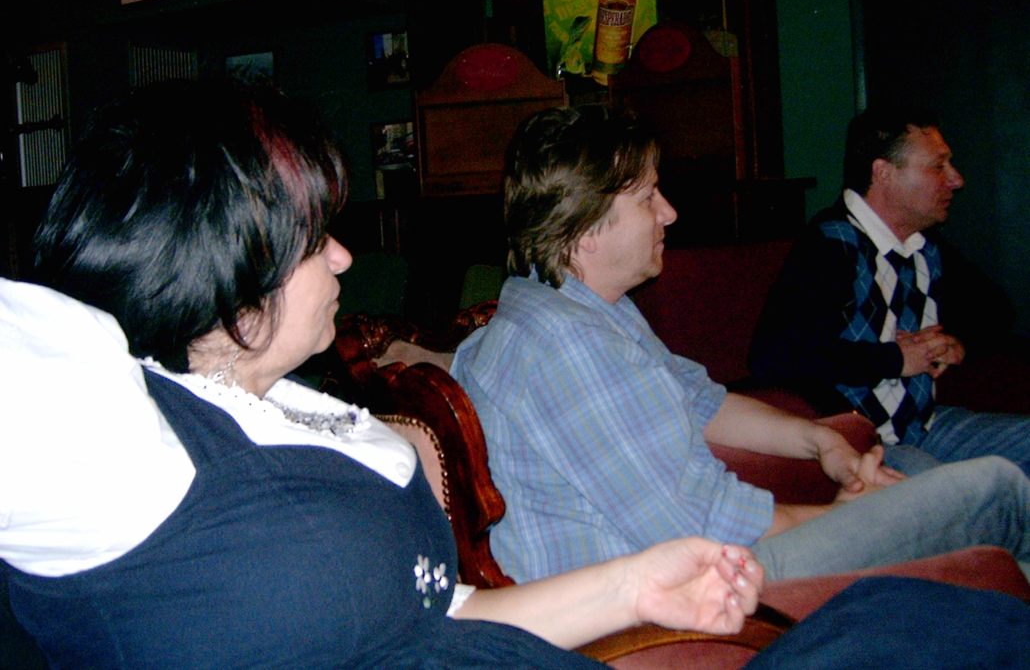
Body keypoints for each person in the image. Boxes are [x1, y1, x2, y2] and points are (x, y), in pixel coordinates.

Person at [3, 81, 1029, 670]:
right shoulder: (117, 446)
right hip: (648, 636)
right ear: (219, 260)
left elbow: (437, 616)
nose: (346, 257)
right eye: (315, 236)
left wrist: (629, 581)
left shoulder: (294, 407)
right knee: (989, 510)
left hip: (567, 623)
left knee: (942, 621)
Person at [451, 105, 1030, 586]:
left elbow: (701, 399)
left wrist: (821, 441)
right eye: (648, 197)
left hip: (702, 562)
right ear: (583, 230)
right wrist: (839, 515)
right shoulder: (568, 351)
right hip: (694, 598)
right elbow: (704, 526)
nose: (669, 213)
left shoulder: (579, 309)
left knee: (991, 544)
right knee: (994, 489)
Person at [748, 105, 1030, 477]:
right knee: (941, 486)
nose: (956, 180)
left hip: (925, 425)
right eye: (938, 166)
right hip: (858, 441)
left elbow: (996, 310)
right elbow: (774, 358)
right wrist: (894, 359)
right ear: (883, 172)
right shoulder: (831, 246)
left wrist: (957, 343)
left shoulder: (925, 244)